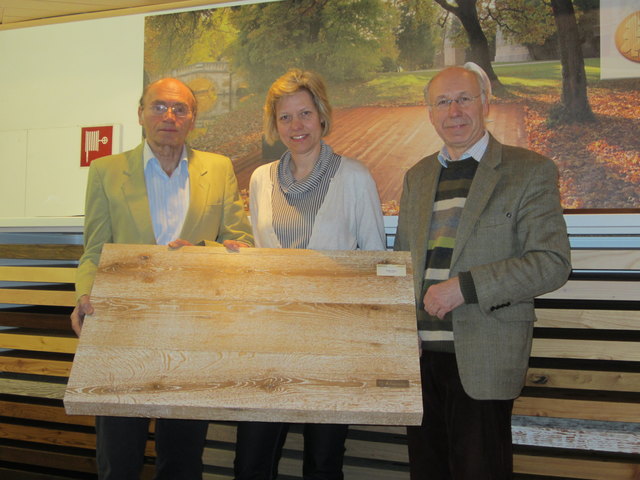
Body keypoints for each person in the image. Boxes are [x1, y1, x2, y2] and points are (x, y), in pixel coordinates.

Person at [393, 63, 571, 480]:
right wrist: (400, 329)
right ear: (429, 112)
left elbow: (552, 262)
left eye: (464, 98)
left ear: (486, 103)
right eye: (442, 102)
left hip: (484, 358)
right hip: (419, 364)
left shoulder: (529, 170)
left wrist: (466, 287)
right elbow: (400, 264)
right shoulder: (417, 177)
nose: (453, 110)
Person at [71, 77, 253, 480]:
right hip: (120, 332)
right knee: (119, 461)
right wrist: (84, 294)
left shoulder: (219, 168)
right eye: (158, 107)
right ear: (140, 114)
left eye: (180, 109)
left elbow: (240, 241)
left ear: (192, 120)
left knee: (183, 462)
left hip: (193, 334)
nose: (168, 116)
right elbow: (95, 250)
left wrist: (198, 257)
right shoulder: (105, 171)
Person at [234, 68, 386, 480]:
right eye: (285, 117)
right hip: (269, 344)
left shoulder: (355, 177)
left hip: (333, 345)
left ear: (321, 115)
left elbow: (377, 262)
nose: (296, 126)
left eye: (304, 113)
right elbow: (265, 258)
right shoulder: (260, 180)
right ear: (274, 124)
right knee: (251, 462)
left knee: (322, 464)